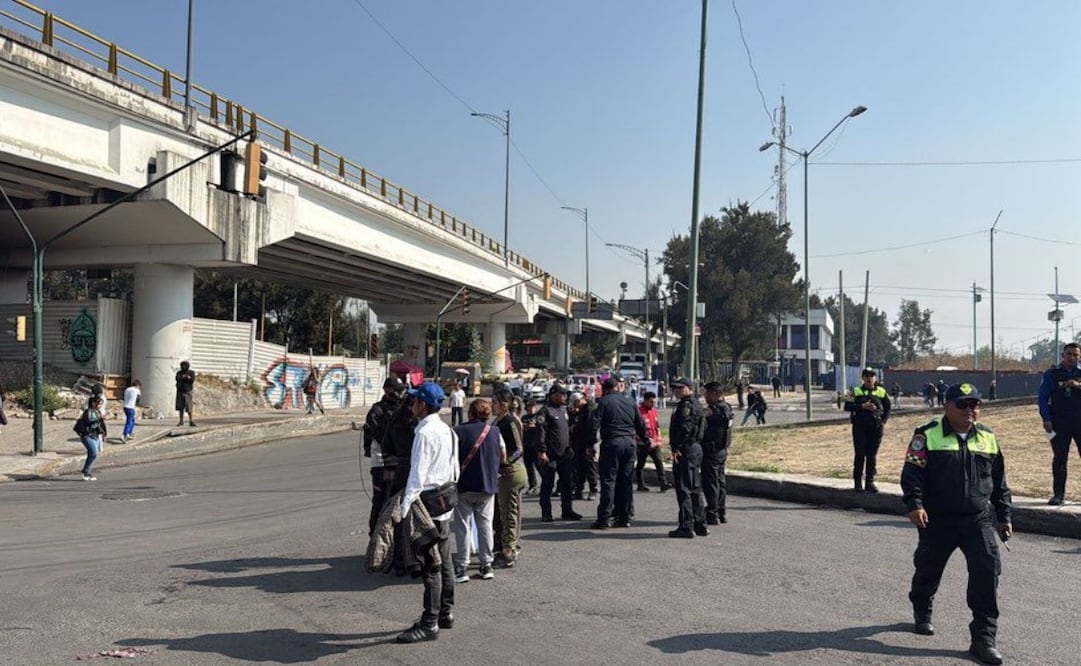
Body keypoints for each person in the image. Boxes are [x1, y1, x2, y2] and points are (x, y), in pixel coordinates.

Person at [901, 382, 1011, 666]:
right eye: (962, 404)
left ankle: (983, 639)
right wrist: (915, 505)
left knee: (987, 575)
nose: (969, 410)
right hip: (938, 519)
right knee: (928, 569)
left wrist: (1004, 516)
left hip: (978, 519)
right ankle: (922, 607)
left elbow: (999, 482)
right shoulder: (926, 435)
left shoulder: (988, 437)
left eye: (974, 404)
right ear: (947, 406)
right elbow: (912, 474)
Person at [395, 381, 458, 644]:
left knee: (431, 566)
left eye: (415, 401)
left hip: (429, 504)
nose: (412, 405)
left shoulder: (424, 434)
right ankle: (445, 612)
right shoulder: (447, 430)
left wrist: (404, 508)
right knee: (444, 561)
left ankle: (429, 623)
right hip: (445, 499)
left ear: (422, 404)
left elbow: (417, 476)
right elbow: (454, 468)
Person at [451, 398, 503, 583]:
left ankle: (462, 566)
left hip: (464, 486)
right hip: (487, 485)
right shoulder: (495, 431)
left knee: (463, 526)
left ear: (470, 413)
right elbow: (503, 454)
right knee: (485, 525)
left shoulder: (458, 431)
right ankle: (486, 564)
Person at [589, 373, 648, 530]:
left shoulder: (604, 402)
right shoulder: (630, 402)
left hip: (612, 444)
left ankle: (604, 518)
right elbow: (640, 424)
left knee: (609, 481)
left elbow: (594, 425)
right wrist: (646, 441)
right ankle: (624, 517)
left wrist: (590, 445)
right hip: (629, 444)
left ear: (606, 389)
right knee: (626, 481)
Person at [1038, 341, 1081, 505]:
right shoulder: (1052, 374)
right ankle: (1059, 494)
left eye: (1075, 355)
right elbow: (1043, 397)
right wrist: (1046, 418)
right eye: (1069, 354)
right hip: (1059, 422)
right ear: (1063, 355)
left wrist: (1077, 385)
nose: (1072, 357)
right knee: (1060, 459)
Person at [363, 376, 406, 535]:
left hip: (400, 462)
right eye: (397, 392)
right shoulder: (377, 411)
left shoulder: (403, 409)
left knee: (400, 502)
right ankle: (375, 537)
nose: (401, 395)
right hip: (382, 464)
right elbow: (383, 437)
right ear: (387, 392)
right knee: (381, 501)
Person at [667, 378, 707, 538]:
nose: (677, 391)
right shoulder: (696, 403)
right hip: (695, 448)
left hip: (687, 449)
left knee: (684, 489)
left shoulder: (686, 405)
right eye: (675, 388)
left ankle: (686, 526)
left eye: (680, 388)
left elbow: (685, 428)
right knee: (695, 488)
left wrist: (677, 447)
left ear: (689, 388)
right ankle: (700, 524)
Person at [491, 389, 527, 568]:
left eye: (494, 403)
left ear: (503, 405)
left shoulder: (510, 421)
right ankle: (502, 546)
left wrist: (505, 463)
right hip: (501, 472)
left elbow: (519, 448)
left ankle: (509, 552)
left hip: (511, 472)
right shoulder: (498, 421)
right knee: (500, 514)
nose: (491, 406)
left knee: (509, 514)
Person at [535, 383, 581, 522]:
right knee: (547, 485)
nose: (565, 397)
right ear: (554, 394)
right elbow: (540, 433)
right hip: (550, 455)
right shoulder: (545, 411)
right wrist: (542, 451)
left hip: (565, 455)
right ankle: (546, 513)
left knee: (567, 484)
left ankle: (567, 511)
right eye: (562, 394)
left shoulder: (564, 410)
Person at [844, 367, 892, 493]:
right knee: (860, 455)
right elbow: (847, 406)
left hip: (875, 428)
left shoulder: (881, 391)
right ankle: (857, 483)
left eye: (872, 376)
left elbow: (887, 408)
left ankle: (869, 482)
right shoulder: (855, 390)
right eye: (867, 376)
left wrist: (883, 422)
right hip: (860, 427)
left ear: (875, 378)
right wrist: (861, 406)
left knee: (872, 456)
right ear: (863, 378)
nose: (869, 378)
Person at [701, 381, 733, 525]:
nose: (705, 396)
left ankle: (712, 513)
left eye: (707, 394)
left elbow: (701, 422)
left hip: (712, 451)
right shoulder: (727, 408)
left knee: (711, 483)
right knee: (720, 481)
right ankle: (721, 510)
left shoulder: (714, 410)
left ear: (715, 394)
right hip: (722, 450)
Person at [635, 391, 669, 493]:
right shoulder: (638, 412)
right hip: (643, 443)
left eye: (654, 402)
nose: (653, 404)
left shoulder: (653, 411)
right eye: (651, 402)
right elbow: (636, 429)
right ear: (645, 401)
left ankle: (663, 484)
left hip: (654, 443)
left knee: (659, 462)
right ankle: (641, 484)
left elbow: (656, 426)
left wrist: (658, 438)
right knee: (641, 464)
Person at [569, 393, 598, 501]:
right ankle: (579, 490)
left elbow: (591, 428)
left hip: (588, 443)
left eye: (576, 403)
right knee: (579, 467)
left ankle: (593, 489)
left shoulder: (590, 409)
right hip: (579, 442)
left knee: (590, 466)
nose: (575, 406)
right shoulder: (581, 411)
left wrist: (591, 445)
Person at [75, 395, 106, 481]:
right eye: (99, 404)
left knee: (92, 454)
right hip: (87, 435)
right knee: (94, 452)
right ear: (93, 403)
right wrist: (99, 418)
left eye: (101, 404)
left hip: (95, 435)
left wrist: (103, 433)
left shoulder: (97, 412)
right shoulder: (88, 411)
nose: (100, 406)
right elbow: (89, 420)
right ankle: (86, 471)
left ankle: (87, 472)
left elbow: (100, 424)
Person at [520, 397, 541, 495]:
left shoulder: (539, 416)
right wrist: (525, 427)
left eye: (531, 407)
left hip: (536, 445)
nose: (529, 409)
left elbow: (541, 427)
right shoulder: (524, 417)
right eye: (528, 407)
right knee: (529, 466)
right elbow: (521, 427)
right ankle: (533, 485)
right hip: (527, 444)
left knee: (539, 466)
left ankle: (546, 483)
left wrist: (534, 426)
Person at [175, 360, 196, 426]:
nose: (183, 367)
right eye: (182, 366)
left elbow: (191, 380)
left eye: (184, 366)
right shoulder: (179, 372)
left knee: (189, 406)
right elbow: (177, 378)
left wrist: (184, 378)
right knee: (180, 407)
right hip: (180, 391)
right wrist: (186, 378)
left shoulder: (191, 372)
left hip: (188, 391)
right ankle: (181, 421)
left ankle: (191, 420)